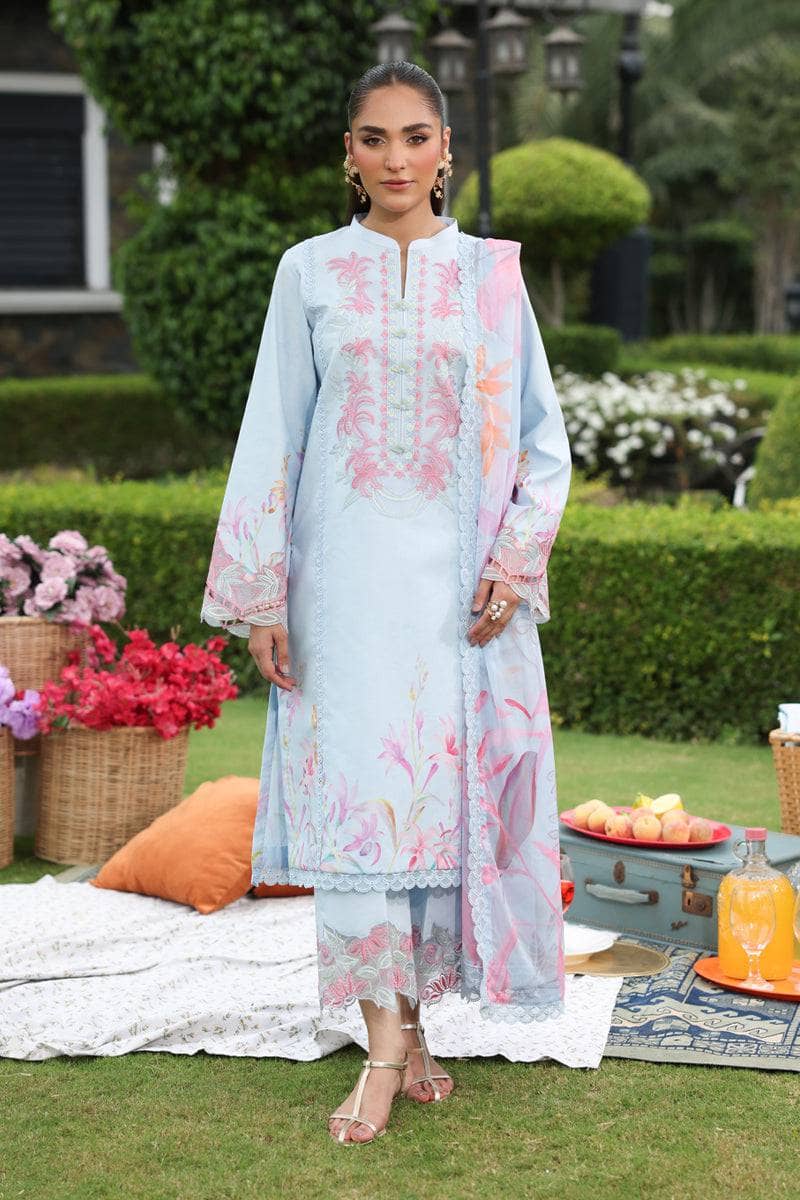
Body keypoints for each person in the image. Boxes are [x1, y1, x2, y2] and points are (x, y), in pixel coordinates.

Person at [201, 60, 572, 1146]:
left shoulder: (492, 280)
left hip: (462, 605)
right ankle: (381, 1046)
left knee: (444, 813)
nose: (396, 159)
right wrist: (264, 588)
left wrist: (511, 562)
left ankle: (412, 1028)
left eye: (416, 137)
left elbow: (543, 443)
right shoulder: (308, 272)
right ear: (348, 157)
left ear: (446, 149)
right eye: (374, 139)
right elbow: (273, 430)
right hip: (345, 592)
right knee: (364, 814)